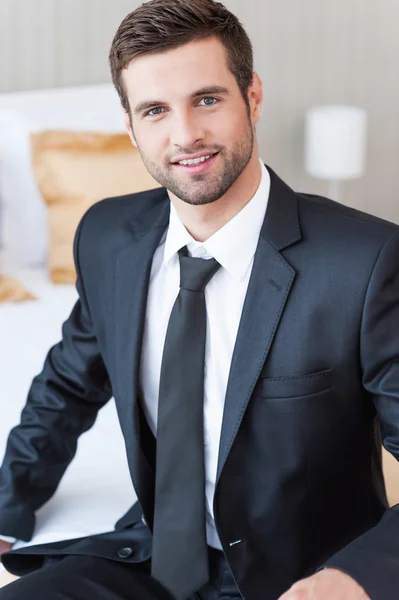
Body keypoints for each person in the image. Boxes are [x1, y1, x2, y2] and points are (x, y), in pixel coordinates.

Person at [0, 0, 398, 598]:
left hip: (301, 579)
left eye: (207, 99)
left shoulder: (365, 261)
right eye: (155, 110)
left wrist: (352, 578)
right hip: (150, 556)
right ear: (130, 125)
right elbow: (69, 385)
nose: (185, 134)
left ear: (253, 97)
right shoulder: (107, 238)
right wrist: (8, 509)